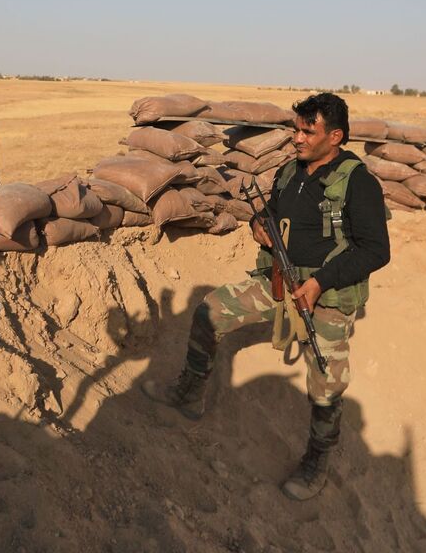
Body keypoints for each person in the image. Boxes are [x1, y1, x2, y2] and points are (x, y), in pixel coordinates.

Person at [142, 92, 390, 501]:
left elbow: (375, 250)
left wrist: (321, 281)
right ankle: (190, 393)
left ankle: (317, 461)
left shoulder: (359, 183)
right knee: (210, 311)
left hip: (325, 296)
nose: (297, 138)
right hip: (278, 281)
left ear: (336, 136)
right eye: (296, 129)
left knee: (326, 382)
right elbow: (271, 213)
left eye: (308, 132)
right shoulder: (291, 172)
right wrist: (259, 226)